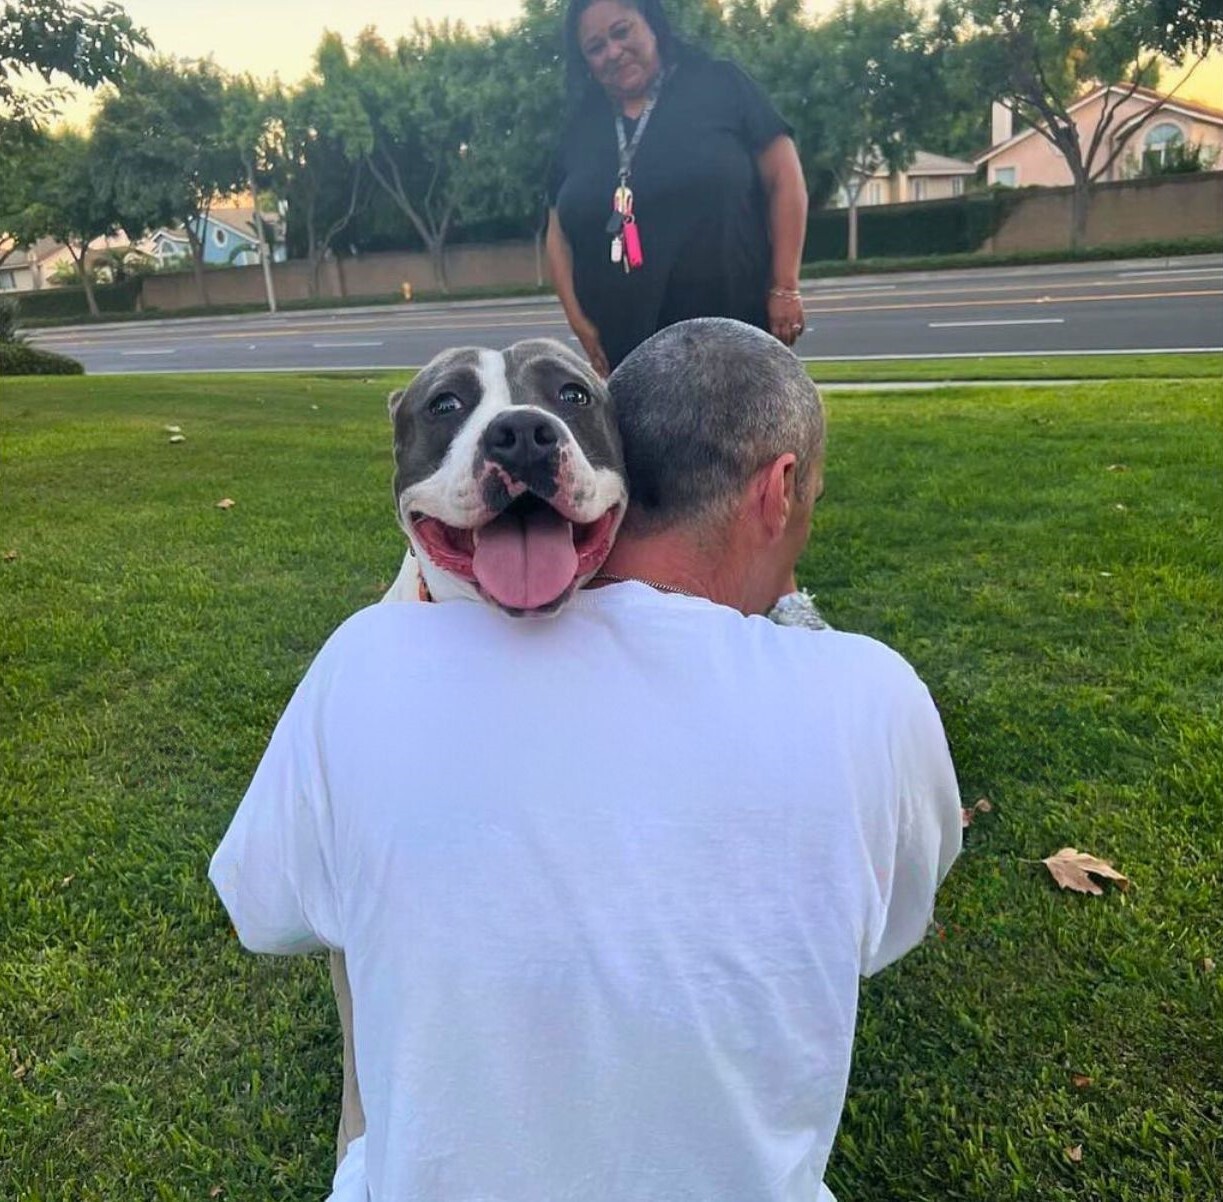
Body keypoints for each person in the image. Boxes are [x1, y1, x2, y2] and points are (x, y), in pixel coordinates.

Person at [210, 318, 961, 1202]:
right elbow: (889, 926)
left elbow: (266, 916)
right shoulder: (869, 694)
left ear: (628, 463)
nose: (518, 430)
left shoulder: (360, 667)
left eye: (565, 401)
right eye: (449, 407)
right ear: (780, 491)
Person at [547, 0, 809, 375]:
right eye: (596, 47)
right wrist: (579, 322)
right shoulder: (578, 129)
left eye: (622, 32)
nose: (613, 52)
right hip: (628, 356)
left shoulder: (720, 84)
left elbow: (785, 178)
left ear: (652, 24)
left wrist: (785, 286)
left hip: (732, 343)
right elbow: (557, 231)